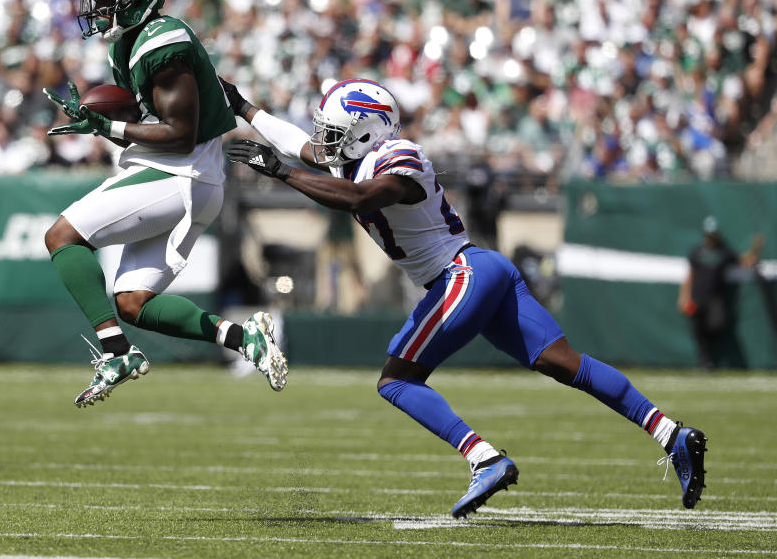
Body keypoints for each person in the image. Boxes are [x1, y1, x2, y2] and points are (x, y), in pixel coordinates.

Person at [220, 77, 707, 516]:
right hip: (482, 271)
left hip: (461, 275)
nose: (323, 139)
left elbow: (360, 198)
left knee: (396, 381)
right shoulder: (357, 158)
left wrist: (281, 174)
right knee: (565, 363)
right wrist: (243, 106)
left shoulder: (398, 157)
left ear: (366, 129)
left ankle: (484, 458)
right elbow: (299, 145)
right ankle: (670, 433)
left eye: (333, 129)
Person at [41, 0, 287, 407]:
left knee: (63, 236)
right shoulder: (131, 43)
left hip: (180, 171)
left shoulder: (161, 39)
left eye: (104, 1)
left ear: (133, 2)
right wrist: (109, 121)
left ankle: (116, 354)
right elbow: (152, 123)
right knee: (134, 302)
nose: (94, 11)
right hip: (191, 175)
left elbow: (178, 133)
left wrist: (106, 127)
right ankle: (242, 337)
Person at [678, 216, 763, 370]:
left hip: (715, 299)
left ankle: (711, 356)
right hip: (697, 297)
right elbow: (689, 275)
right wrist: (684, 296)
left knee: (717, 324)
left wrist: (755, 249)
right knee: (697, 330)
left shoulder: (725, 252)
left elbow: (744, 261)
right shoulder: (696, 252)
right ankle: (706, 363)